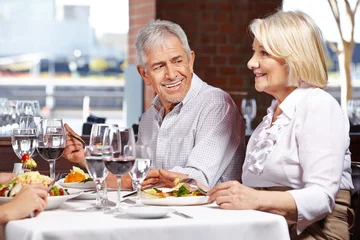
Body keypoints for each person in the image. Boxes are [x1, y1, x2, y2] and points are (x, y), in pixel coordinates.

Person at [207, 10, 354, 240]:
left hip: (312, 233)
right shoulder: (270, 119)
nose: (251, 62)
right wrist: (188, 185)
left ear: (295, 59)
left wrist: (254, 200)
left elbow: (322, 197)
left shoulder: (318, 105)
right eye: (254, 51)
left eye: (263, 53)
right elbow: (248, 193)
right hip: (265, 230)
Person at [63, 19, 245, 189]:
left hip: (208, 219)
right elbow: (133, 178)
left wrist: (140, 178)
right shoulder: (149, 117)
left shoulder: (216, 104)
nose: (171, 74)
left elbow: (197, 180)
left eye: (177, 61)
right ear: (144, 75)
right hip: (163, 216)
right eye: (159, 66)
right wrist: (85, 158)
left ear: (191, 61)